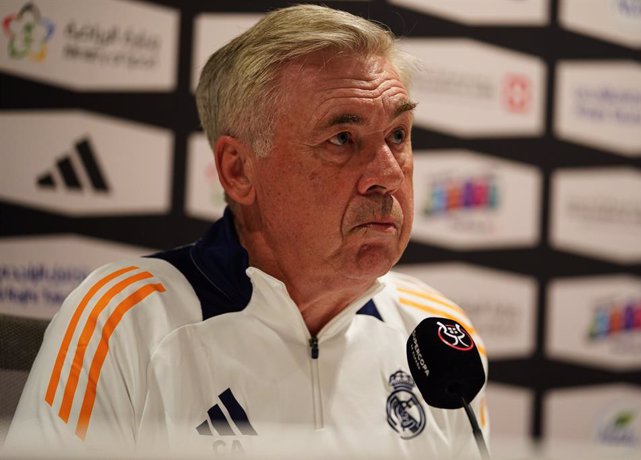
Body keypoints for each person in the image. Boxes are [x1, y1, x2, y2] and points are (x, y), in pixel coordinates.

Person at [5, 4, 488, 458]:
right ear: (237, 170)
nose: (387, 173)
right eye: (343, 138)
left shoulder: (439, 337)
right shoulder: (123, 321)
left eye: (398, 135)